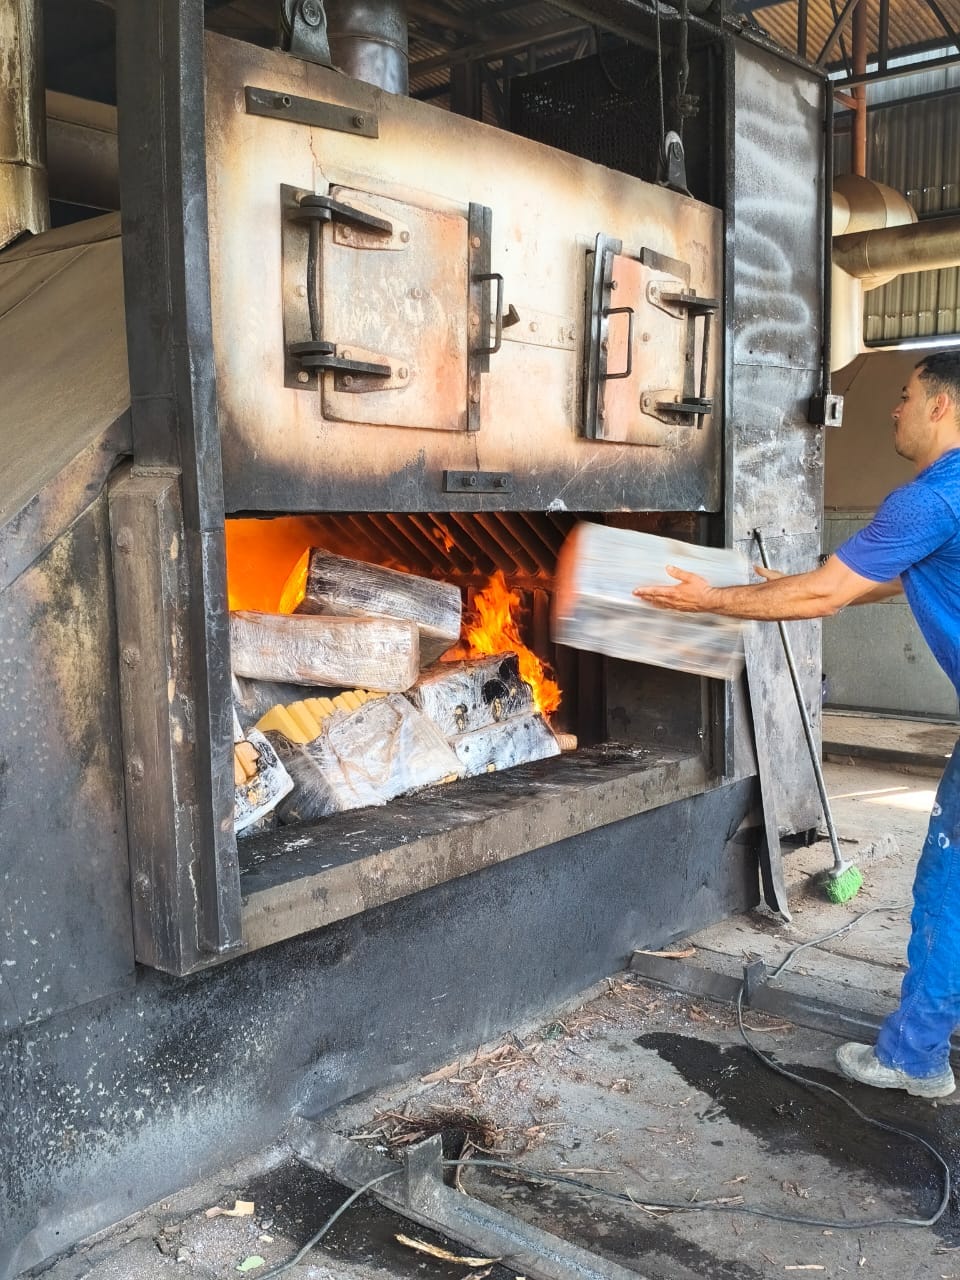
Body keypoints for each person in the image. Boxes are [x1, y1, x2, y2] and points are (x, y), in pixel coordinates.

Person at [634, 350, 960, 1100]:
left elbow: (826, 598)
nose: (894, 409)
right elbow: (896, 575)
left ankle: (915, 1060)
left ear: (941, 406)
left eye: (905, 395)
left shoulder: (929, 498)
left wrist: (709, 601)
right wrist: (805, 583)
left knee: (949, 885)